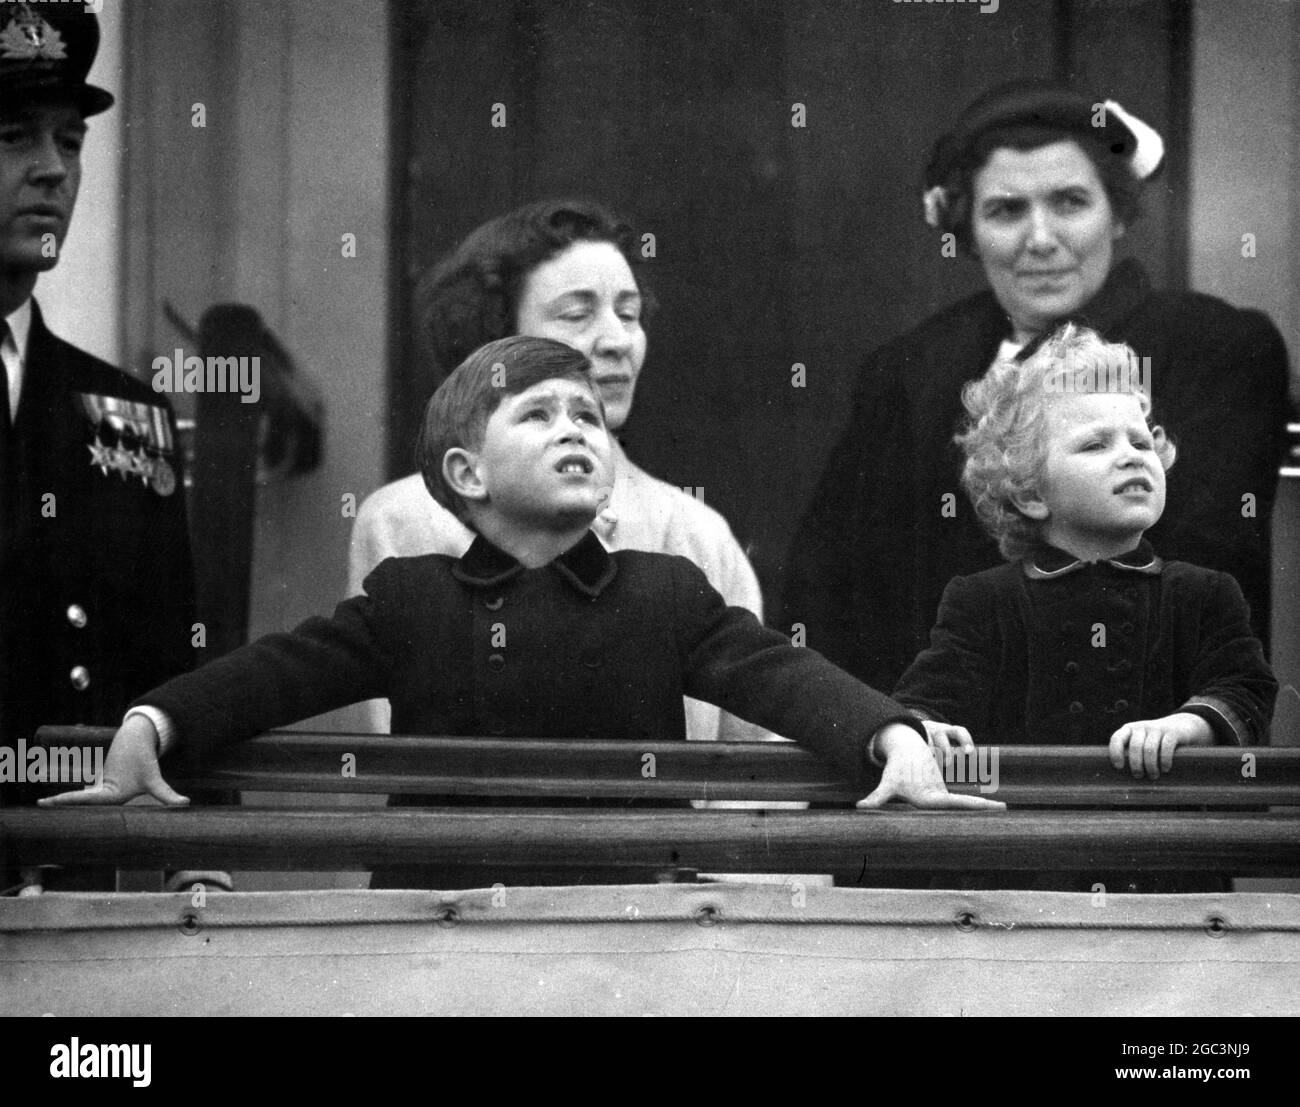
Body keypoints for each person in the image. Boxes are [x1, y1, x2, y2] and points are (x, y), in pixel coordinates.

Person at [43, 338, 1005, 865]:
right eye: (537, 414)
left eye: (586, 414)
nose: (576, 428)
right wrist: (155, 720)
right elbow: (278, 672)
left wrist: (892, 735)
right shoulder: (406, 596)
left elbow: (780, 675)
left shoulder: (667, 593)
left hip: (625, 934)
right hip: (436, 929)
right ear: (465, 470)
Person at [783, 80, 1292, 695]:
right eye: (1006, 210)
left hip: (1144, 742)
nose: (1041, 238)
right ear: (967, 229)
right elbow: (833, 585)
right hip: (938, 752)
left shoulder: (1216, 349)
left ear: (1119, 213)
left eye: (1070, 202)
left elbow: (1200, 564)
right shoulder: (908, 373)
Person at [350, 200, 769, 745]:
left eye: (630, 313)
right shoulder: (405, 521)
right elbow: (398, 746)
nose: (616, 341)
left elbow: (753, 765)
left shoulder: (696, 534)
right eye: (577, 314)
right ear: (498, 338)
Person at [890, 325, 1276, 893]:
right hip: (1026, 876)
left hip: (1167, 875)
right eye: (1097, 445)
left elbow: (1244, 691)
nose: (1130, 458)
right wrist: (926, 728)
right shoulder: (984, 601)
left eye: (1141, 443)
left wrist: (1186, 725)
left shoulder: (1204, 594)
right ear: (1029, 492)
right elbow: (929, 701)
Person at [1, 2, 195, 893]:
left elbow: (170, 663)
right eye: (13, 137)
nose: (52, 171)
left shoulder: (121, 410)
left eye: (70, 142)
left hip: (64, 877)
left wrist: (195, 853)